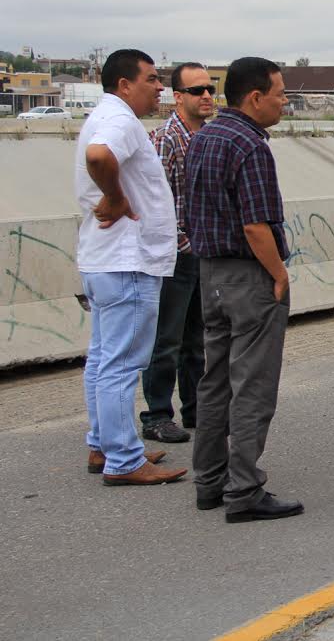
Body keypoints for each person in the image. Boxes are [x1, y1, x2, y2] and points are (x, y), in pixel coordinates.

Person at [184, 56, 302, 523]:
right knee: (252, 385)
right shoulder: (251, 146)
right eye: (280, 93)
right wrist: (278, 273)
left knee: (214, 381)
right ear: (255, 97)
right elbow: (256, 226)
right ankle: (244, 489)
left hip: (209, 273)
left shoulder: (204, 137)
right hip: (248, 275)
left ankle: (208, 481)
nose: (284, 101)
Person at [75, 49, 186, 486]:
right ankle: (124, 458)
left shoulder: (103, 116)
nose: (160, 86)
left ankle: (104, 446)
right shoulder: (118, 120)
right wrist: (118, 198)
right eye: (152, 79)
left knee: (103, 358)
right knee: (122, 363)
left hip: (104, 258)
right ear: (125, 84)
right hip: (128, 262)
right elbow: (101, 157)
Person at [140, 63, 216, 443]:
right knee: (165, 340)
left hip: (202, 251)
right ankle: (156, 414)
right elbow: (155, 203)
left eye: (209, 89)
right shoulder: (165, 140)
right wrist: (176, 243)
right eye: (197, 90)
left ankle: (195, 410)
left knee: (197, 340)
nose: (206, 96)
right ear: (178, 96)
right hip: (174, 254)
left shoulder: (209, 136)